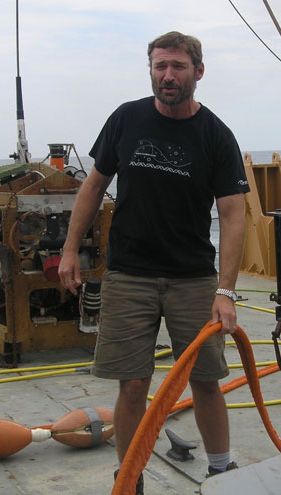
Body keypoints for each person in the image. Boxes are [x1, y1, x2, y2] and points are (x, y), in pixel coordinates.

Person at [58, 31, 249, 493]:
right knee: (131, 384)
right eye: (160, 66)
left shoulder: (217, 135)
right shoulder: (127, 119)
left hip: (193, 279)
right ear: (151, 71)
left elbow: (233, 215)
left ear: (197, 73)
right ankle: (130, 477)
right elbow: (93, 186)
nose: (168, 75)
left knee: (205, 380)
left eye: (178, 67)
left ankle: (221, 470)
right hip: (129, 275)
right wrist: (68, 249)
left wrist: (225, 291)